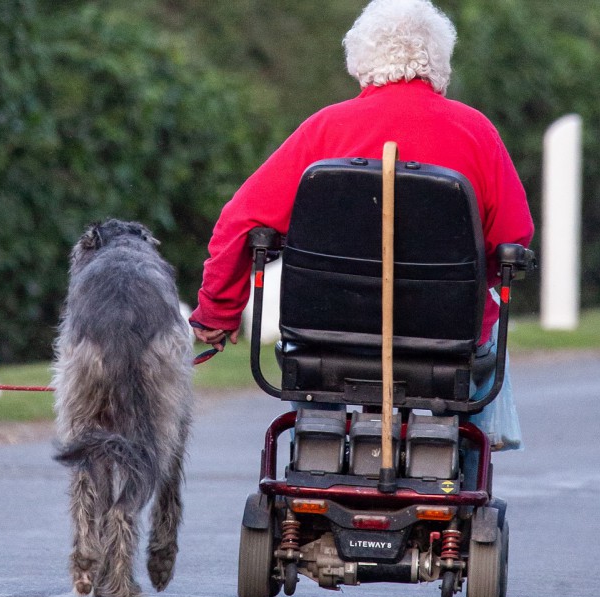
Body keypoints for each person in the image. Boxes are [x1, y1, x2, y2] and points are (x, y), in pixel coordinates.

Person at [189, 0, 534, 354]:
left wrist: (218, 311)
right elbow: (513, 237)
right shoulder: (476, 131)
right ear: (440, 59)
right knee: (489, 368)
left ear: (360, 60)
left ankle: (316, 411)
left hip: (329, 332)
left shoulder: (325, 129)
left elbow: (240, 220)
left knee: (305, 371)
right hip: (449, 336)